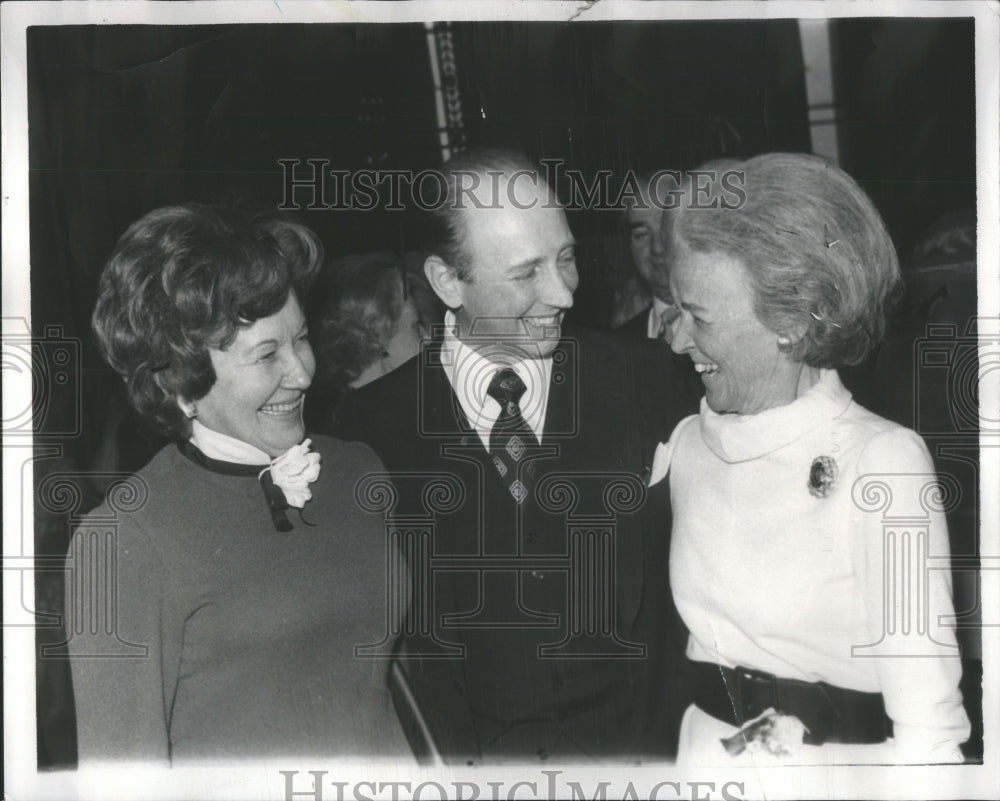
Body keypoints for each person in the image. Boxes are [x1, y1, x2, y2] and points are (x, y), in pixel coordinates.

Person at [327, 148, 697, 764]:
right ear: (448, 282)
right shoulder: (370, 431)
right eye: (527, 274)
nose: (563, 293)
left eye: (568, 258)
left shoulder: (649, 378)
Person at [649, 152, 970, 764]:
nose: (676, 338)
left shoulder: (883, 464)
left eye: (700, 317)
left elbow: (931, 730)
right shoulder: (688, 443)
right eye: (676, 308)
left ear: (792, 323)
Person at [66, 203, 409, 763]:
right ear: (180, 378)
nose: (301, 373)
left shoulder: (357, 471)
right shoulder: (122, 541)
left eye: (300, 339)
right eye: (267, 354)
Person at [308, 251, 440, 421]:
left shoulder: (378, 408)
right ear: (374, 334)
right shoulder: (360, 426)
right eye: (417, 326)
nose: (429, 338)